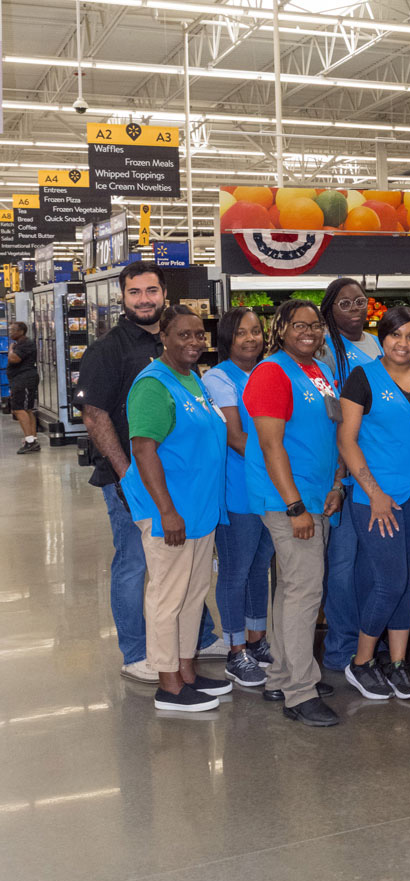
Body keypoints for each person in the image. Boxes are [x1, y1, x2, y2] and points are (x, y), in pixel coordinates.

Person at [77, 260, 222, 683]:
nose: (144, 299)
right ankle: (138, 653)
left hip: (178, 487)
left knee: (177, 578)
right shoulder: (109, 349)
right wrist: (128, 477)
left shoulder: (184, 360)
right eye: (135, 292)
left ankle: (181, 654)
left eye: (151, 291)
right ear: (122, 297)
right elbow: (95, 414)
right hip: (135, 481)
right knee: (136, 567)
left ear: (164, 295)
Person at [120, 305, 232, 712]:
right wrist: (166, 510)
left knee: (192, 594)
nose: (194, 342)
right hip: (172, 512)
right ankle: (168, 684)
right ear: (163, 337)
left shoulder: (192, 380)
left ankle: (186, 671)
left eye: (199, 335)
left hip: (199, 509)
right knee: (168, 596)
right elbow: (143, 448)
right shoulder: (154, 384)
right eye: (183, 335)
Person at [243, 298, 344, 727]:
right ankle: (300, 693)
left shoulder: (316, 371)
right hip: (289, 501)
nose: (310, 331)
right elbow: (271, 445)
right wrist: (295, 506)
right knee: (306, 592)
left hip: (317, 496)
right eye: (298, 325)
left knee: (291, 589)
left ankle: (283, 674)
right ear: (280, 329)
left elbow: (329, 428)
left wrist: (336, 484)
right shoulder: (272, 371)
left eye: (315, 325)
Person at [336, 306, 410, 700]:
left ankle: (397, 663)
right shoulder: (361, 378)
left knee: (403, 581)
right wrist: (374, 492)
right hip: (376, 498)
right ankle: (361, 662)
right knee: (390, 580)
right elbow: (346, 440)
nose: (404, 344)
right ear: (382, 337)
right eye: (396, 335)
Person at [202, 307, 274, 689]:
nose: (251, 339)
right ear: (228, 338)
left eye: (257, 332)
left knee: (259, 566)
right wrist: (279, 466)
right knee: (235, 570)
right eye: (242, 333)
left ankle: (256, 640)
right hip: (238, 491)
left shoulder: (265, 372)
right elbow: (234, 435)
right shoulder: (218, 378)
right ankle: (234, 651)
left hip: (266, 490)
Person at [316, 278, 382, 674]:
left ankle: (364, 641)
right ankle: (340, 646)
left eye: (360, 301)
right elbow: (330, 413)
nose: (355, 309)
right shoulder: (323, 347)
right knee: (340, 564)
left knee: (366, 564)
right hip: (341, 465)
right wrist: (339, 474)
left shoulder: (375, 345)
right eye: (345, 303)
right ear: (330, 309)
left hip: (371, 463)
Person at [7, 321, 40, 453]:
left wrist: (10, 349)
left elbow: (14, 359)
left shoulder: (25, 344)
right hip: (22, 379)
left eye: (13, 330)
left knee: (19, 409)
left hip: (24, 380)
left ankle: (30, 441)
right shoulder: (21, 343)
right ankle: (32, 439)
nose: (10, 332)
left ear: (21, 331)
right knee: (27, 409)